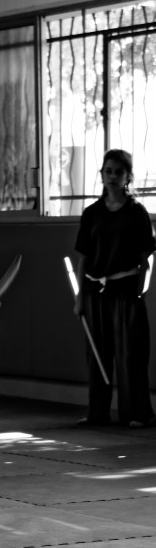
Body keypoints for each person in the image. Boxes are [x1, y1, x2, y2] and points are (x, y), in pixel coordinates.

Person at [73, 148, 156, 427]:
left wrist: (141, 290)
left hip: (126, 291)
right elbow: (83, 258)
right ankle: (97, 413)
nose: (112, 177)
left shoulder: (136, 213)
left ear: (128, 177)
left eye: (118, 172)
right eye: (108, 171)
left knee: (130, 354)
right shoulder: (92, 213)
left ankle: (137, 414)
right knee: (97, 355)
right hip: (95, 293)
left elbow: (147, 257)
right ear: (102, 175)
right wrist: (80, 297)